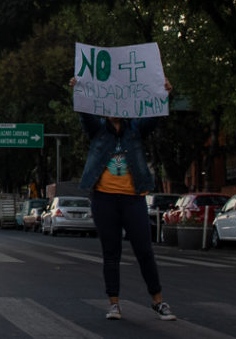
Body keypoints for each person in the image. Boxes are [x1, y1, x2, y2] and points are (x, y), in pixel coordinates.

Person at [70, 76, 176, 322]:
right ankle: (114, 303)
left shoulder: (135, 129)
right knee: (111, 252)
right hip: (104, 199)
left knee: (144, 250)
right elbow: (84, 115)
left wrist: (164, 94)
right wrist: (79, 91)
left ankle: (158, 301)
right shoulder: (97, 130)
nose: (115, 110)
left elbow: (155, 116)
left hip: (133, 198)